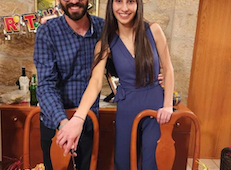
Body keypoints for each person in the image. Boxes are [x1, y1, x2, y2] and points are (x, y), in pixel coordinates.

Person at [56, 0, 174, 169]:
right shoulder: (105, 43)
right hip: (127, 110)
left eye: (130, 2)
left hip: (156, 109)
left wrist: (168, 105)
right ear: (111, 5)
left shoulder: (153, 30)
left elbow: (168, 69)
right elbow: (95, 82)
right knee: (123, 162)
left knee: (152, 163)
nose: (124, 8)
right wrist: (78, 118)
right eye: (119, 1)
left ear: (138, 4)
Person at [33, 0, 104, 169]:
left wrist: (154, 75)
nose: (73, 1)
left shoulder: (103, 28)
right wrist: (64, 124)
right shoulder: (47, 31)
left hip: (88, 123)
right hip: (56, 126)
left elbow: (118, 65)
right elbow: (46, 85)